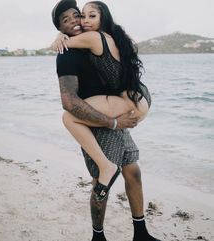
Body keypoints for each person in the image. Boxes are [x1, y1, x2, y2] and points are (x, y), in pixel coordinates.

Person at [52, 1, 161, 241]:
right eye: (66, 21)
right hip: (105, 119)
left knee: (129, 172)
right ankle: (98, 236)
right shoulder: (67, 54)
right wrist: (58, 40)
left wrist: (59, 36)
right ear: (60, 27)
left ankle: (140, 233)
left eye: (77, 16)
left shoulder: (92, 40)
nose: (77, 21)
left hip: (120, 109)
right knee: (106, 180)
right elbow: (69, 101)